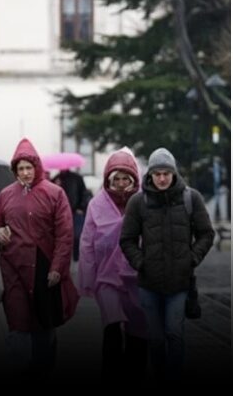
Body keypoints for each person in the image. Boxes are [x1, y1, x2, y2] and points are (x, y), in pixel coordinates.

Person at [120, 148, 214, 383]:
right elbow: (127, 239)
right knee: (156, 338)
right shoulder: (137, 201)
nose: (162, 178)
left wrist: (192, 259)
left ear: (174, 173)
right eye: (157, 173)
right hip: (148, 283)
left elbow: (206, 234)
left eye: (166, 173)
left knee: (174, 333)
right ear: (150, 175)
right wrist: (140, 263)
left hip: (179, 283)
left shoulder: (191, 198)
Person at [0, 138, 79, 379]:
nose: (26, 173)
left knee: (43, 326)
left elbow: (65, 234)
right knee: (18, 325)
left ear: (37, 167)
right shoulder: (5, 195)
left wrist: (58, 268)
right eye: (21, 169)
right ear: (15, 170)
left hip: (44, 267)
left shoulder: (55, 193)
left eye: (29, 167)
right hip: (13, 269)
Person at [78, 148, 148, 383]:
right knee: (112, 324)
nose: (119, 184)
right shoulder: (96, 205)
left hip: (137, 278)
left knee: (138, 330)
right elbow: (87, 243)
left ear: (133, 179)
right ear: (109, 178)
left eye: (124, 179)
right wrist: (87, 279)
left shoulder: (144, 202)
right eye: (115, 179)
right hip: (106, 278)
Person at [52, 169, 91, 262]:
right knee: (63, 237)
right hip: (61, 213)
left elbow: (84, 193)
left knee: (77, 235)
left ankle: (77, 258)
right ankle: (65, 258)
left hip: (75, 212)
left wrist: (81, 208)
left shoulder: (77, 178)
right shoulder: (56, 179)